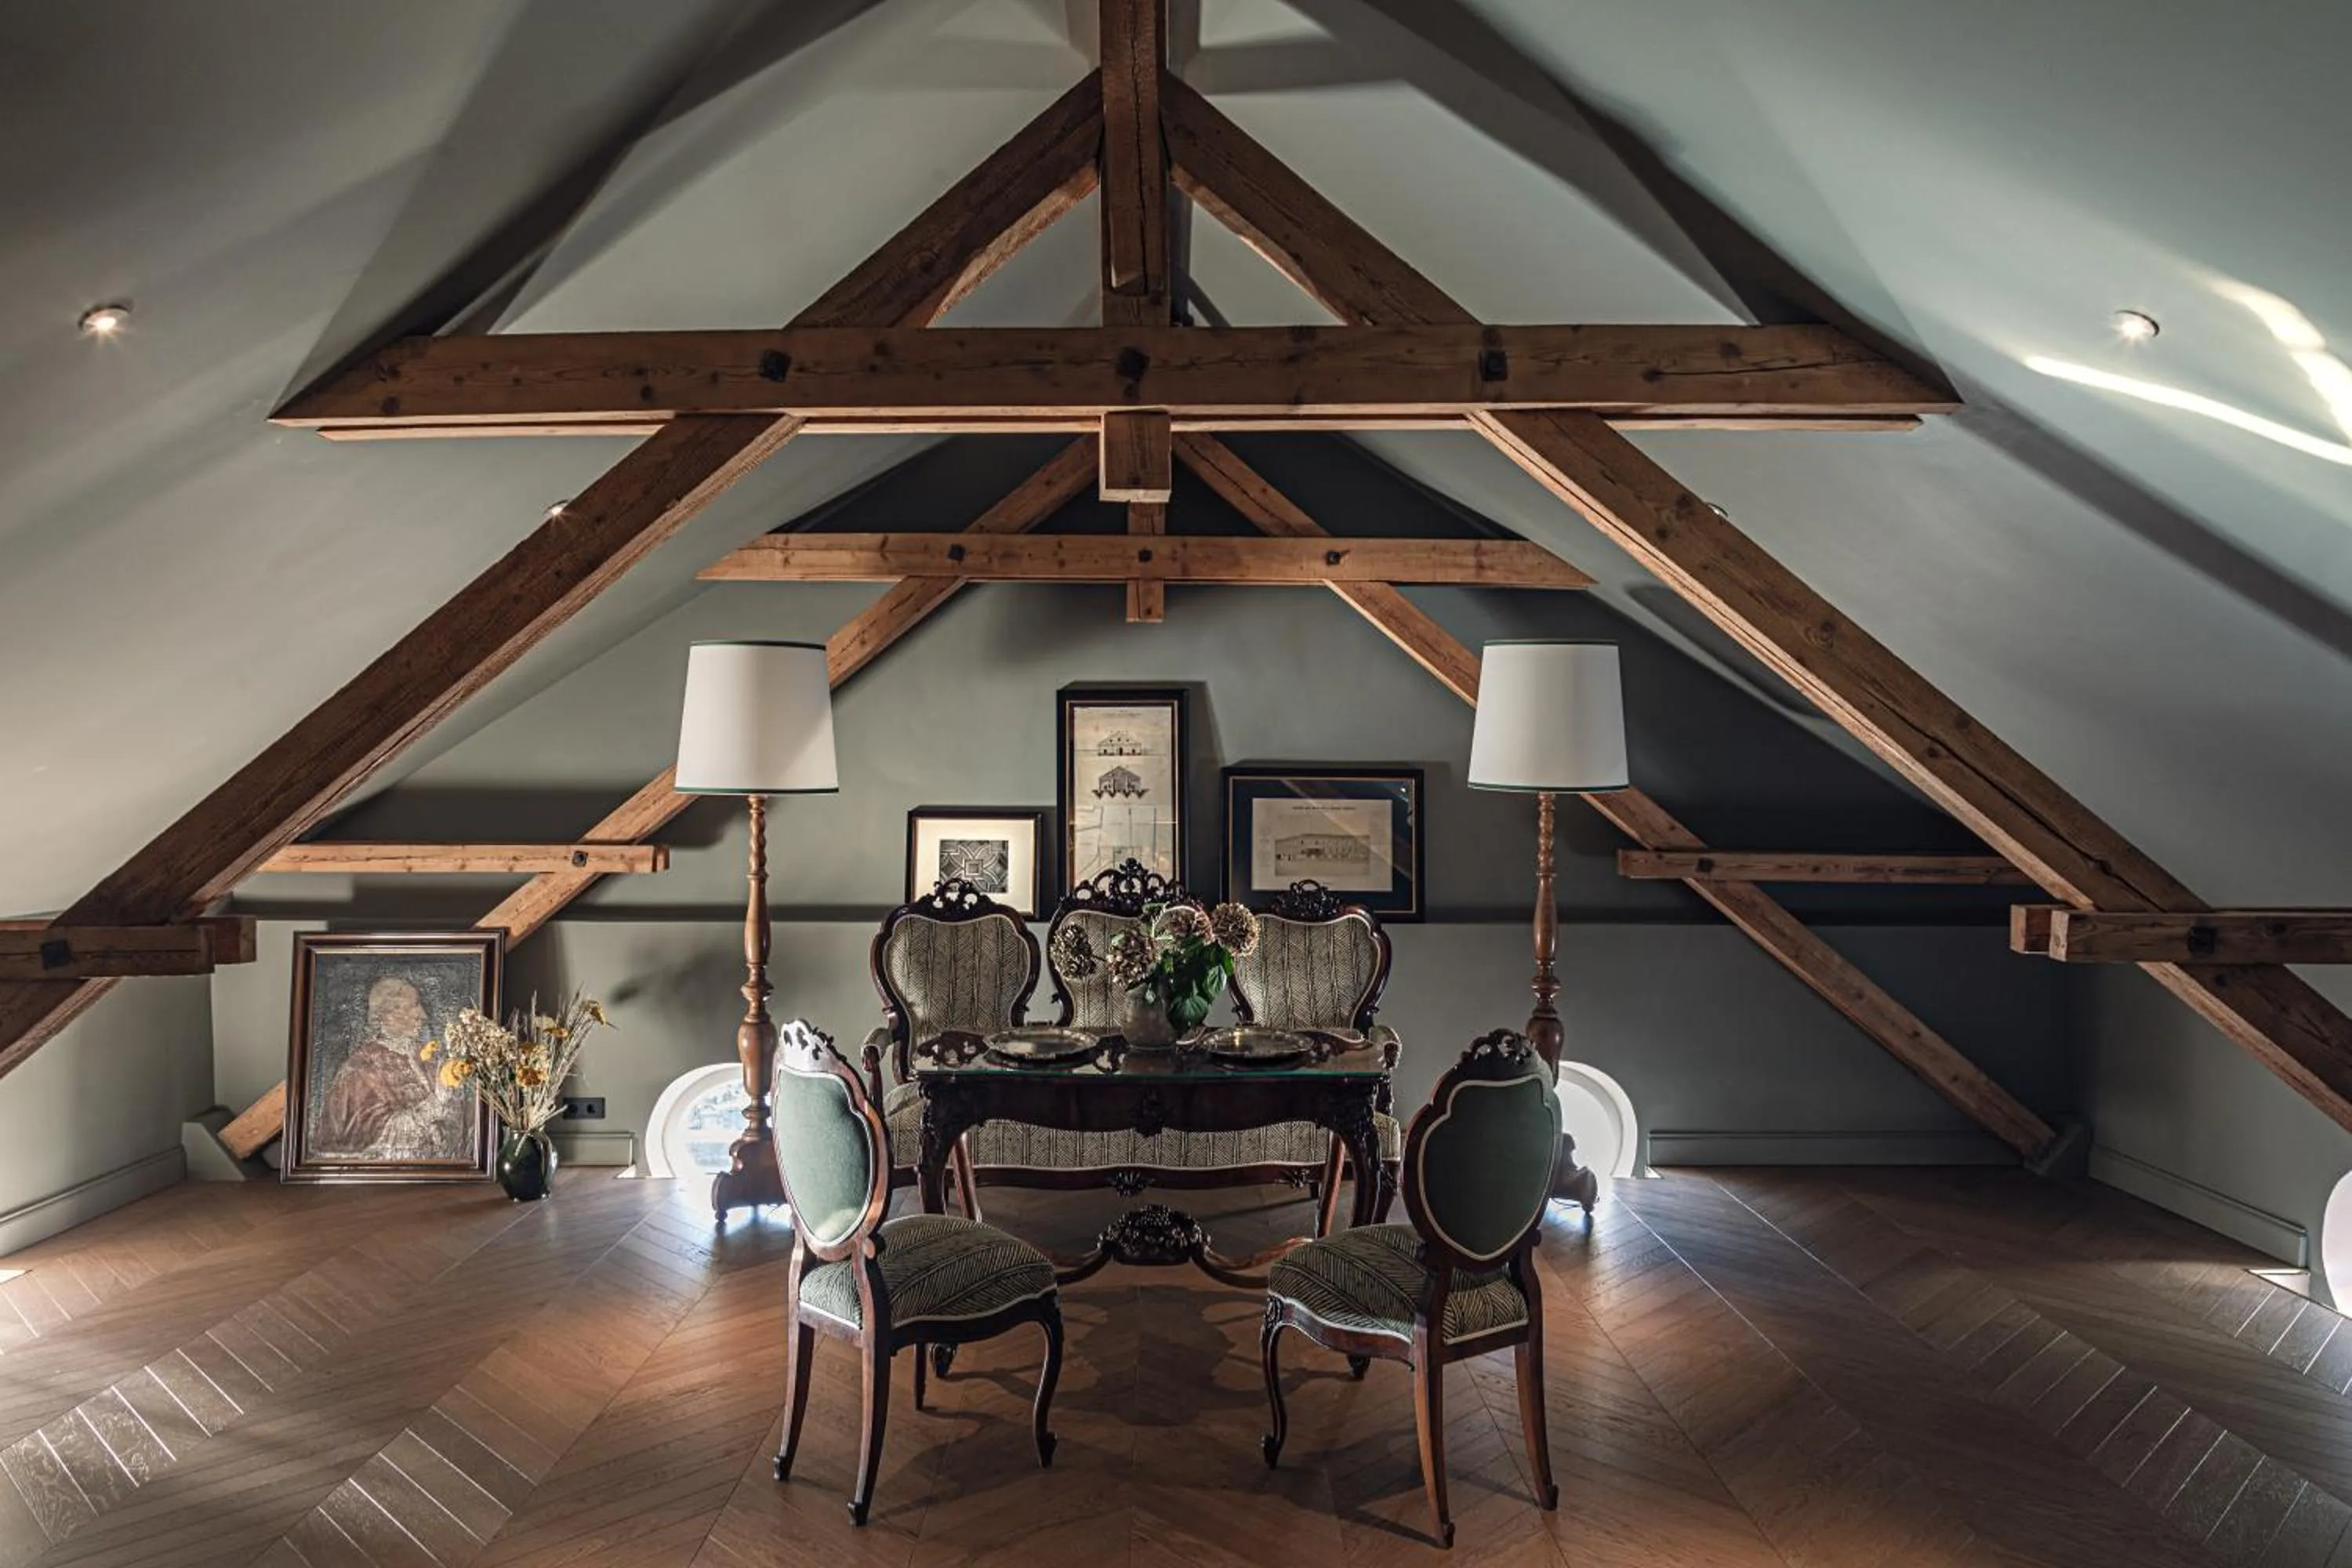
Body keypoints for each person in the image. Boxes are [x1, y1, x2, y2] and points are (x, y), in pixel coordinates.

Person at [316, 976, 469, 1157]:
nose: (423, 1015)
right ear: (388, 1016)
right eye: (414, 1005)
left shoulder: (426, 1058)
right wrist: (438, 1100)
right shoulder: (359, 1070)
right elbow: (378, 1143)